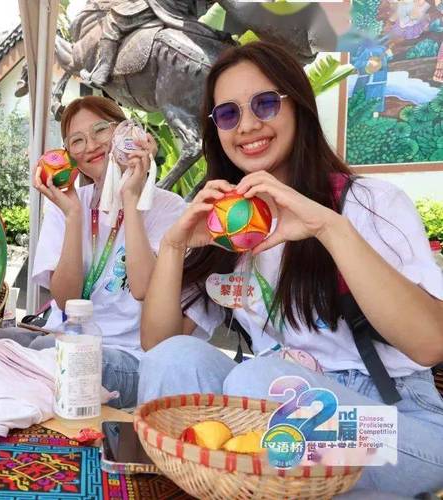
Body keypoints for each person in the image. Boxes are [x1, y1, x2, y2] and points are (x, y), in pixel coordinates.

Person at [138, 41, 443, 495]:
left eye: (265, 104)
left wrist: (328, 228)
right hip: (279, 405)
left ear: (298, 107)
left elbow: (431, 344)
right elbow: (157, 345)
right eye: (228, 114)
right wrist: (173, 244)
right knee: (178, 358)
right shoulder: (229, 223)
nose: (247, 126)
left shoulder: (367, 203)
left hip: (393, 422)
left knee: (262, 382)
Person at [0, 95, 186, 409]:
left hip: (126, 355)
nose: (91, 146)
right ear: (69, 154)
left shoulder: (169, 207)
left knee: (54, 356)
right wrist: (73, 216)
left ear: (125, 131)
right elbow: (66, 300)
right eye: (77, 141)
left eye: (100, 130)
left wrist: (130, 199)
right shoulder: (67, 205)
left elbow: (143, 288)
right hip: (65, 338)